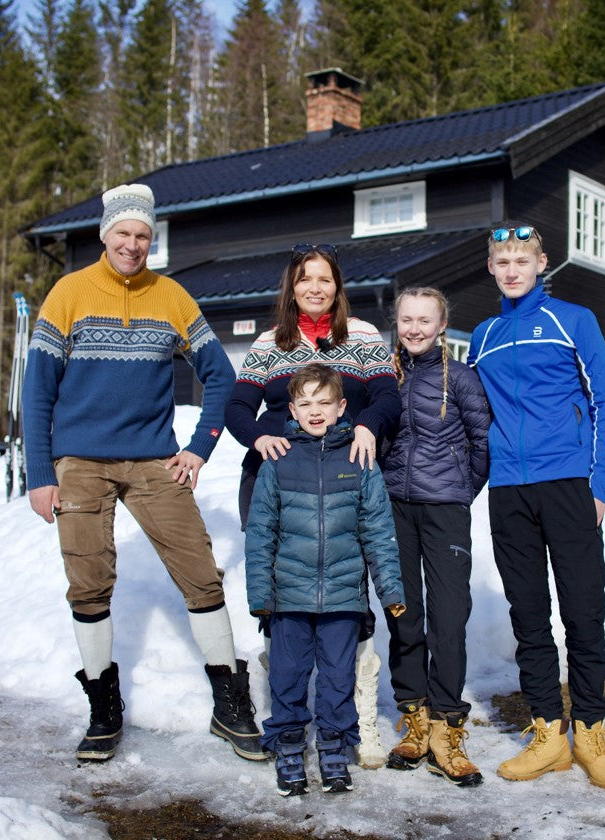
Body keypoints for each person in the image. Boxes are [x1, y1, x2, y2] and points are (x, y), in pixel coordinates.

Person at [23, 183, 264, 764]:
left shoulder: (171, 296)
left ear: (151, 240)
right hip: (80, 462)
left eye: (142, 235)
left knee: (200, 574)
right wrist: (39, 472)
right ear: (105, 235)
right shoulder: (69, 293)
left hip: (155, 460)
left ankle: (229, 703)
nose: (132, 244)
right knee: (88, 581)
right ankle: (103, 708)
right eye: (123, 233)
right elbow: (37, 390)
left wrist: (199, 448)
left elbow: (221, 375)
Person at [224, 243, 401, 768]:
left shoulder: (362, 336)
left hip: (345, 483)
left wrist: (368, 425)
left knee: (349, 607)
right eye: (305, 279)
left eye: (324, 278)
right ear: (292, 286)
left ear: (337, 286)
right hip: (279, 482)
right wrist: (258, 438)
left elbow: (387, 397)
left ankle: (354, 723)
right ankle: (287, 721)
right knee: (285, 606)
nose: (315, 288)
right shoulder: (270, 343)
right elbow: (238, 406)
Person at [466, 223, 605, 790]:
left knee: (583, 611)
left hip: (568, 483)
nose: (512, 270)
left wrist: (598, 485)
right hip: (509, 490)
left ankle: (590, 730)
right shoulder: (483, 335)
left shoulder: (573, 320)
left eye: (522, 260)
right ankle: (548, 734)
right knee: (528, 615)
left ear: (541, 264)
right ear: (491, 268)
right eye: (502, 261)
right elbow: (471, 413)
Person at [244, 364, 406, 796]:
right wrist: (260, 594)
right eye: (305, 403)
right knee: (288, 675)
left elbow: (378, 530)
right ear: (292, 410)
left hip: (343, 597)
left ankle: (334, 744)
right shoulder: (278, 462)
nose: (315, 411)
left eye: (324, 402)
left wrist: (390, 589)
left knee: (338, 678)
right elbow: (260, 534)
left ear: (341, 407)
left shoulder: (359, 460)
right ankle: (289, 745)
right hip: (288, 598)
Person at [381, 287, 490, 787]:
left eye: (425, 320)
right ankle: (414, 719)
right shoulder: (386, 374)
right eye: (407, 319)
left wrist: (461, 491)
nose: (415, 328)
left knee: (448, 617)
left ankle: (447, 728)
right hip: (394, 508)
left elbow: (482, 440)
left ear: (442, 325)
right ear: (397, 321)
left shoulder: (462, 378)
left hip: (446, 510)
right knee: (403, 614)